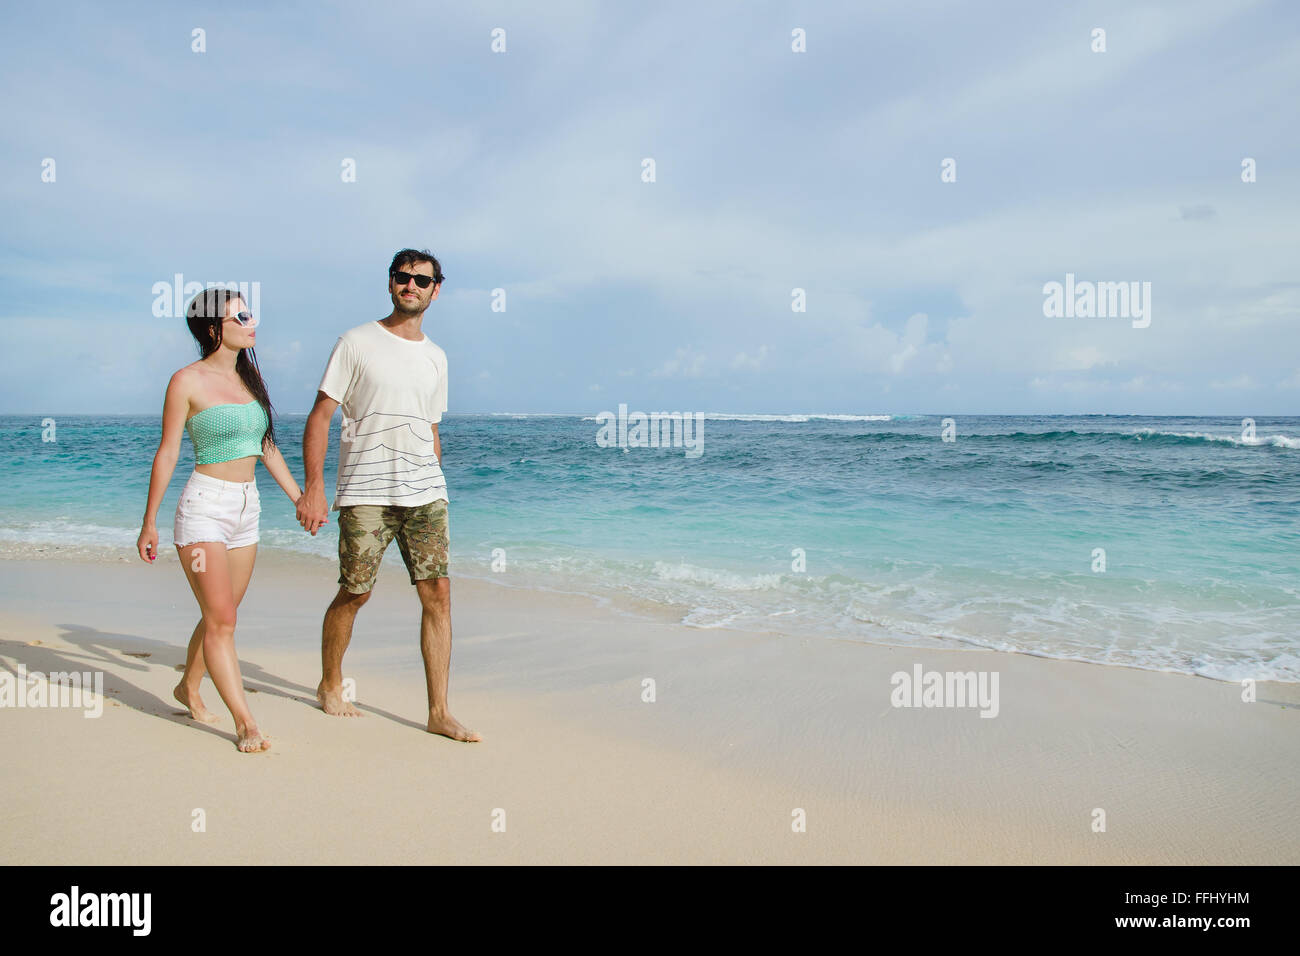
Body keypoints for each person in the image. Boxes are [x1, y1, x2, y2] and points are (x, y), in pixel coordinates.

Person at [297, 249, 479, 742]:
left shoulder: (437, 357)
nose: (411, 286)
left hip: (426, 493)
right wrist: (314, 487)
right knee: (356, 591)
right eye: (403, 277)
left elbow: (431, 425)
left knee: (438, 593)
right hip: (365, 490)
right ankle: (330, 684)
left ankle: (438, 711)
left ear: (436, 289)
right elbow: (321, 415)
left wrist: (436, 481)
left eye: (422, 280)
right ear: (391, 282)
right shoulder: (356, 342)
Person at [136, 287, 302, 752]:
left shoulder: (250, 381)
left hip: (247, 509)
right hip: (204, 507)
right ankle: (245, 723)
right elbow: (168, 451)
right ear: (214, 329)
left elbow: (265, 446)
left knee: (220, 616)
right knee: (222, 619)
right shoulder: (185, 381)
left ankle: (188, 686)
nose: (252, 322)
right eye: (240, 316)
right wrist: (149, 522)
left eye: (249, 313)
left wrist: (299, 496)